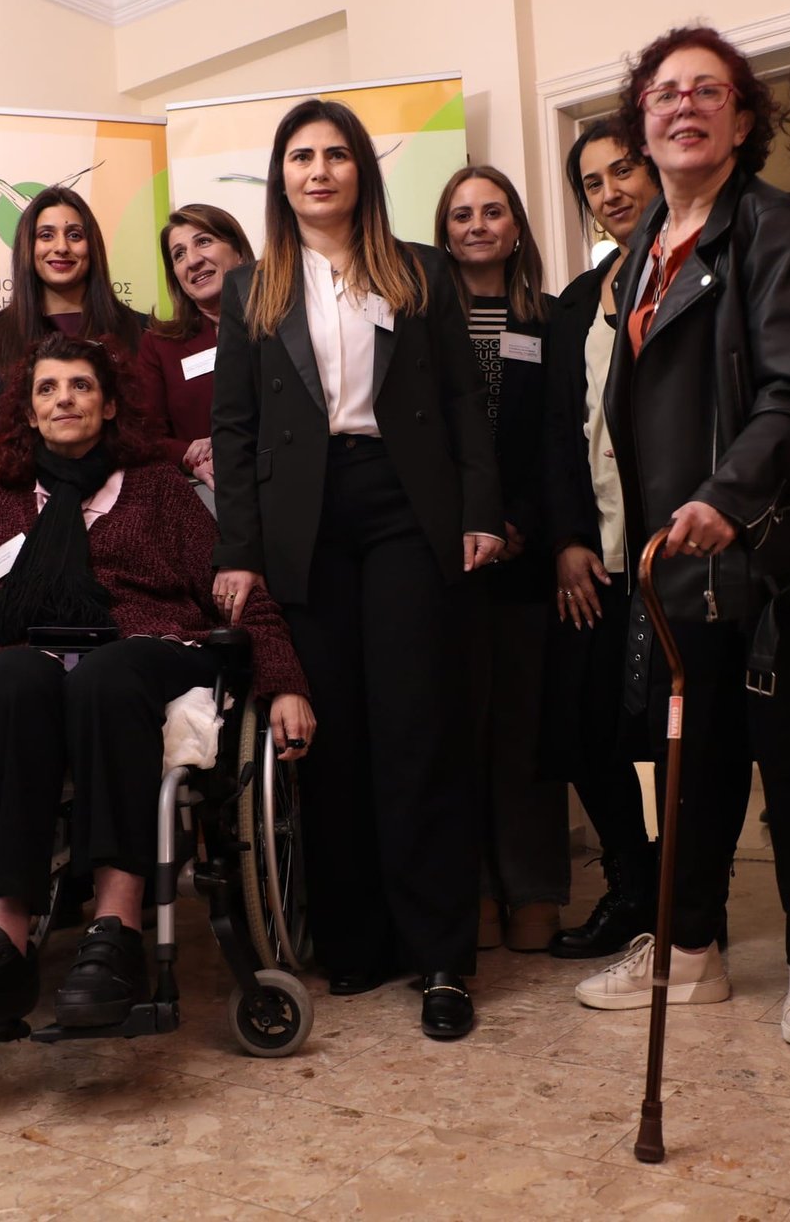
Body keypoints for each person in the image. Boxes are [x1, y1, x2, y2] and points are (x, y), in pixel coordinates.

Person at [0, 333, 314, 1039]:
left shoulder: (159, 491)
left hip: (149, 656)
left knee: (108, 673)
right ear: (28, 413)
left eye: (81, 386)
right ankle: (0, 937)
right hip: (38, 663)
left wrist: (283, 681)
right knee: (11, 673)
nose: (65, 399)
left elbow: (236, 592)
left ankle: (116, 929)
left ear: (109, 405)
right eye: (48, 389)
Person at [572, 27, 790, 1051]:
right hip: (682, 560)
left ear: (743, 120)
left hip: (775, 548)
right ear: (642, 123)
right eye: (665, 94)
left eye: (709, 91)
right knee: (692, 763)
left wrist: (726, 497)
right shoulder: (641, 248)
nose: (684, 107)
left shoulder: (773, 227)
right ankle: (688, 949)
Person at [212, 98, 504, 1041]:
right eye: (301, 157)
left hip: (404, 507)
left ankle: (440, 957)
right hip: (302, 521)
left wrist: (479, 510)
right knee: (330, 738)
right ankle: (359, 939)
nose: (319, 171)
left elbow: (463, 402)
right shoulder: (252, 289)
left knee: (418, 729)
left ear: (360, 172)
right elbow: (235, 430)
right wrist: (239, 552)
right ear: (282, 177)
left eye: (336, 155)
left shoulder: (418, 270)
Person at [433, 164, 566, 953]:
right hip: (442, 554)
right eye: (461, 215)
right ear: (443, 234)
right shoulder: (419, 323)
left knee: (525, 726)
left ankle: (535, 886)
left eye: (492, 212)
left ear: (516, 227)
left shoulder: (551, 319)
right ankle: (473, 889)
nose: (477, 226)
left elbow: (561, 437)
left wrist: (519, 522)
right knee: (457, 727)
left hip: (525, 552)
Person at [539, 119, 662, 959]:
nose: (611, 192)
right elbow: (558, 432)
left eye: (623, 171)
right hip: (597, 554)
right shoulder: (580, 297)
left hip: (674, 550)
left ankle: (689, 896)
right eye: (593, 182)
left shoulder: (695, 269)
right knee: (586, 728)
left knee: (673, 736)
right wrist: (567, 541)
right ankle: (633, 886)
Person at [0, 186, 147, 470]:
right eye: (46, 235)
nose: (61, 247)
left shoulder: (138, 330)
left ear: (92, 246)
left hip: (125, 491)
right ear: (28, 247)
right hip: (23, 494)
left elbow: (150, 429)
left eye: (75, 235)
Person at [135, 204, 254, 489]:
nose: (192, 261)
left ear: (238, 251)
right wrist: (189, 453)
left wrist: (229, 441)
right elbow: (143, 435)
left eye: (203, 242)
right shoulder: (160, 345)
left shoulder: (282, 322)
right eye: (179, 254)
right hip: (210, 493)